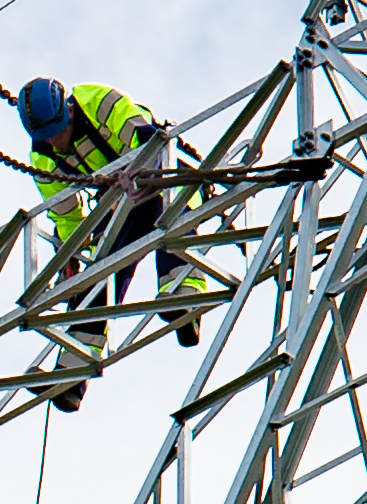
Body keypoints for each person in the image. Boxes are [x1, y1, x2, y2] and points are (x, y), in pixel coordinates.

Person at [18, 76, 222, 357]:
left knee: (171, 217)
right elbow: (68, 220)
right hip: (119, 206)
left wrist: (139, 172)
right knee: (99, 268)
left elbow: (146, 137)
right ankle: (77, 358)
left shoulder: (97, 101)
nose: (54, 140)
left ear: (69, 111)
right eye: (46, 136)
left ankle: (183, 296)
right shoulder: (43, 158)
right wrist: (72, 259)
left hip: (162, 179)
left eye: (57, 131)